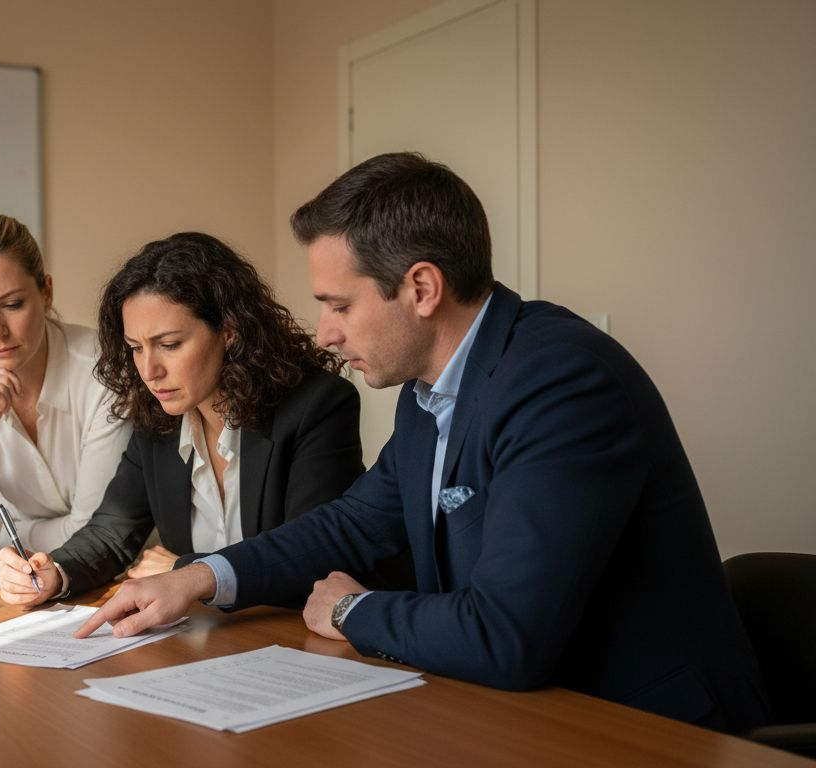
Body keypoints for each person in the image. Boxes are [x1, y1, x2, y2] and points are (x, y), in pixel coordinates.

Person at [75, 153, 770, 732]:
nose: (324, 333)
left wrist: (353, 609)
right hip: (521, 712)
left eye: (339, 305)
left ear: (422, 288)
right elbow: (353, 524)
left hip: (648, 728)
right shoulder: (427, 394)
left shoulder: (562, 382)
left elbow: (507, 636)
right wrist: (200, 578)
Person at [0, 232, 364, 605]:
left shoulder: (318, 407)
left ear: (230, 331)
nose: (149, 370)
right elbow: (112, 530)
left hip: (297, 642)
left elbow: (311, 559)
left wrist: (189, 573)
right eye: (136, 348)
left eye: (169, 345)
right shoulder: (158, 420)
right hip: (202, 643)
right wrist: (55, 572)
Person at [0, 213, 131, 566]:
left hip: (120, 574)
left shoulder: (102, 367)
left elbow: (96, 531)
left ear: (46, 292)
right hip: (27, 582)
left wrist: (1, 537)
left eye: (12, 305)